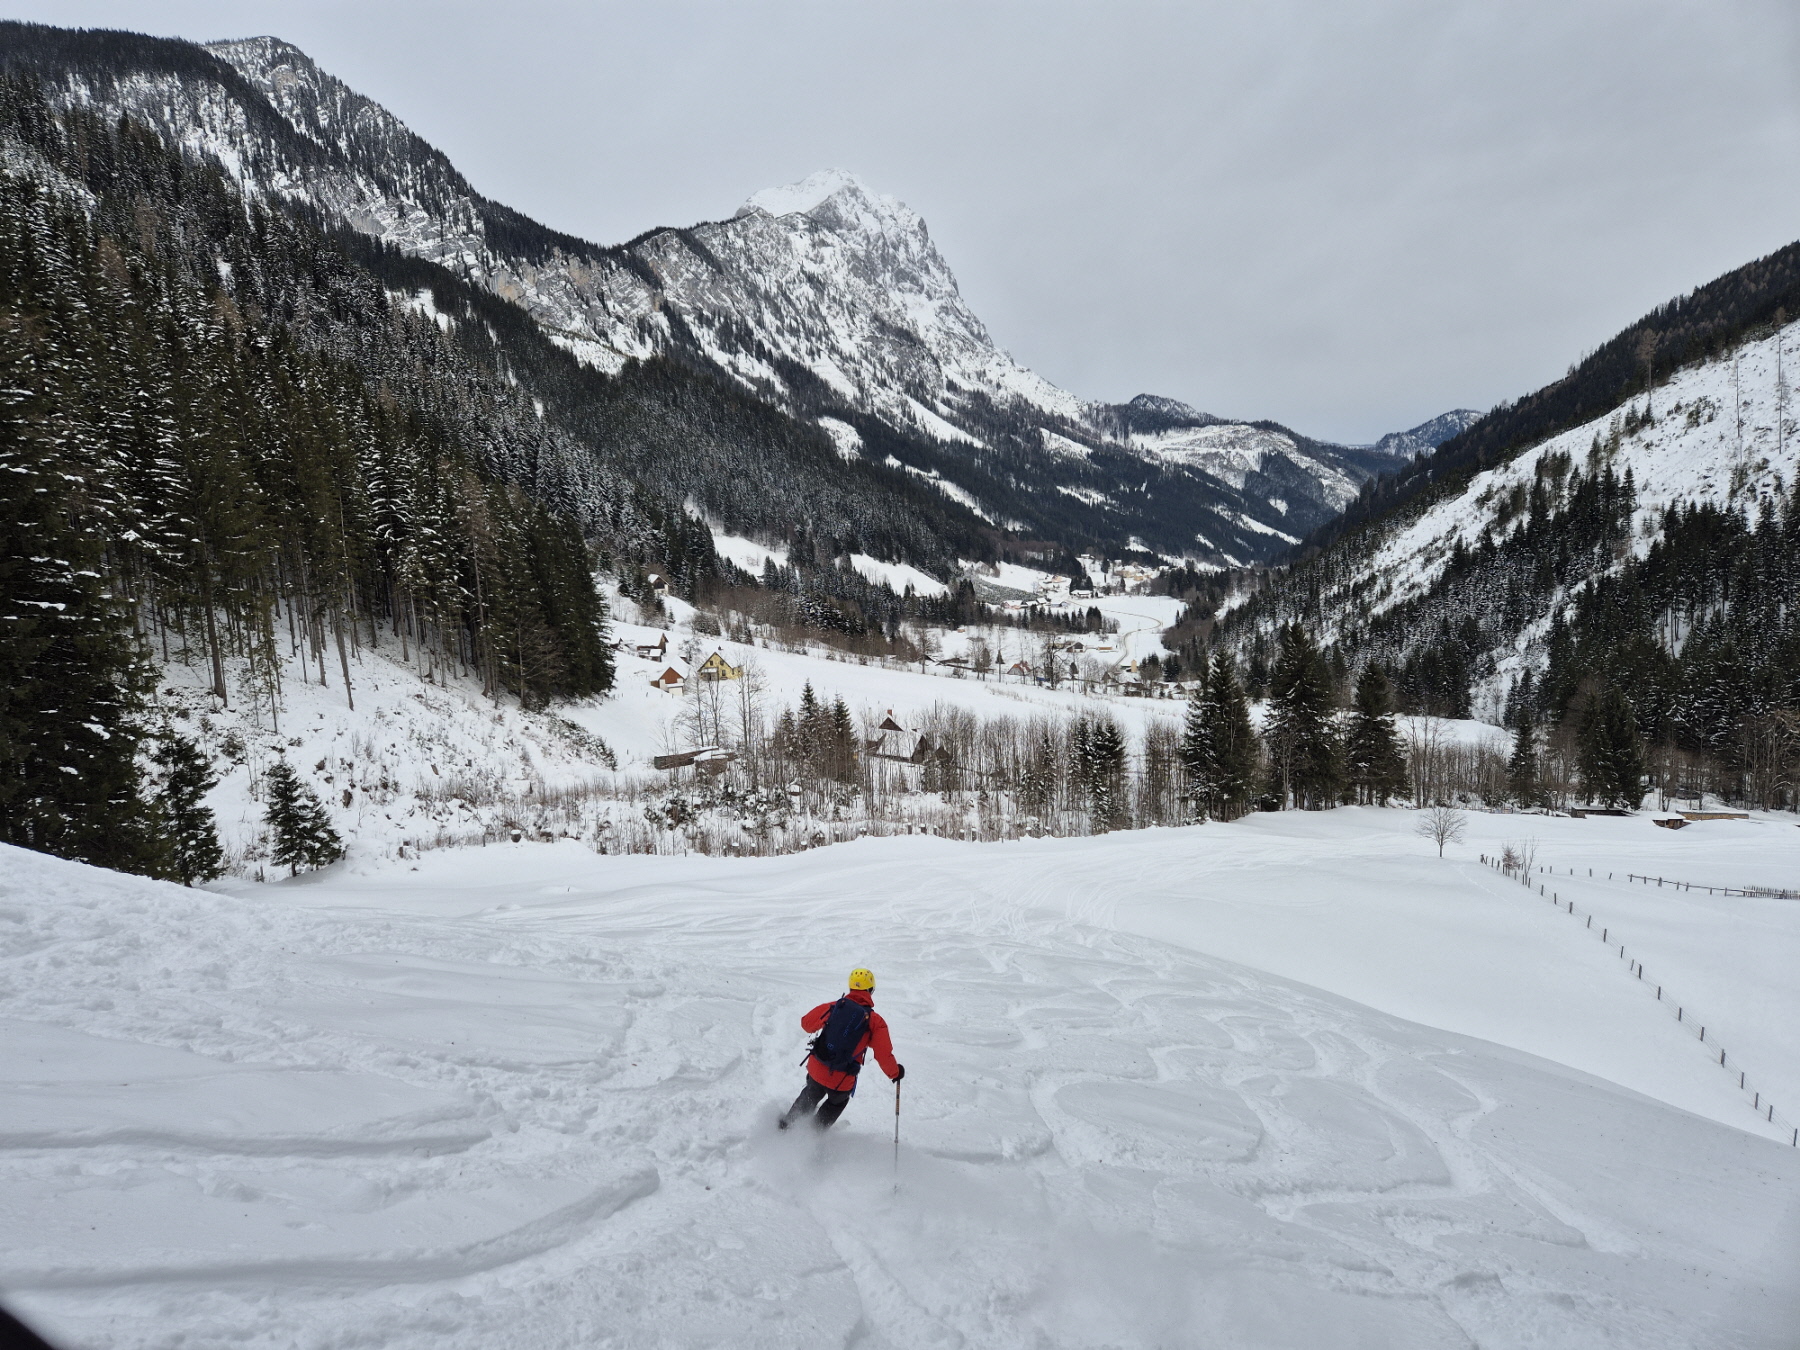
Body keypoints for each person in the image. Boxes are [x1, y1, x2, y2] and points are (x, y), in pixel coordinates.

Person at [779, 966, 903, 1130]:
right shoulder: (875, 1021)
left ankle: (786, 1126)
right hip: (842, 1079)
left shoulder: (835, 1006)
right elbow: (883, 1054)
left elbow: (806, 1024)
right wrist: (895, 1073)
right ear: (870, 990)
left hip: (818, 1067)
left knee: (811, 1093)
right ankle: (812, 1136)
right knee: (836, 1103)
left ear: (851, 987)